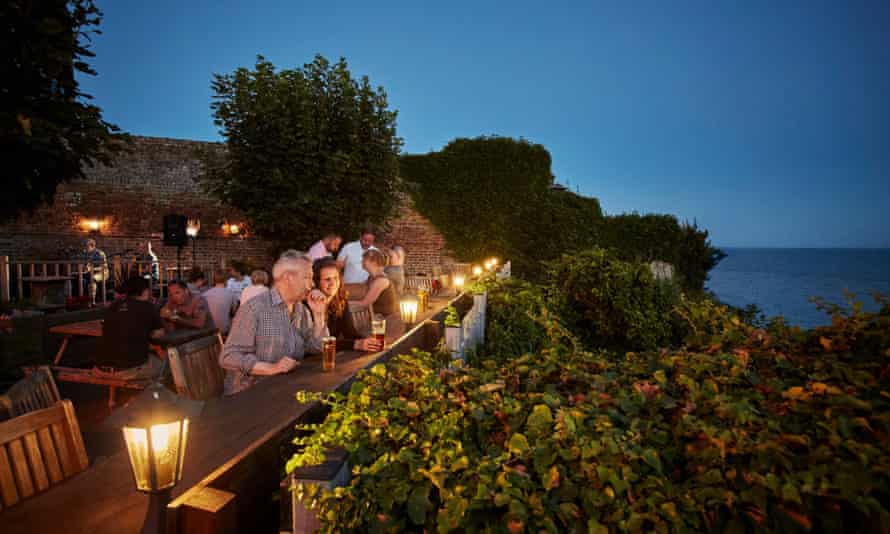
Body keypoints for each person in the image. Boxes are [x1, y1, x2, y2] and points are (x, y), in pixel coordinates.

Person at [219, 253, 328, 395]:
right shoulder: (255, 308)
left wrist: (319, 315)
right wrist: (272, 368)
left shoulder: (301, 309)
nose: (312, 284)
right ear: (288, 278)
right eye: (307, 277)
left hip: (285, 388)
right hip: (249, 394)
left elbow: (316, 348)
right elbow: (228, 357)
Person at [93, 277, 164, 380]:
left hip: (99, 369)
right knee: (165, 365)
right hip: (125, 371)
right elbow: (159, 335)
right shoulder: (147, 307)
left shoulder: (113, 306)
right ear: (145, 291)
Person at [313, 258, 383, 352]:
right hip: (312, 359)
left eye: (336, 278)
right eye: (327, 279)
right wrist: (355, 344)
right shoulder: (311, 304)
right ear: (317, 282)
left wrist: (369, 342)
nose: (333, 283)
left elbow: (350, 333)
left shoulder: (340, 301)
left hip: (334, 357)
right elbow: (319, 343)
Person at [352, 249, 399, 316]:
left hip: (384, 319)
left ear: (374, 262)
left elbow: (365, 303)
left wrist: (344, 303)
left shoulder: (381, 281)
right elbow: (359, 288)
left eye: (364, 259)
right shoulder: (371, 277)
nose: (361, 261)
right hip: (375, 316)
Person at [203, 270, 238, 335]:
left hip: (208, 330)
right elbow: (234, 312)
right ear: (226, 281)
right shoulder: (231, 294)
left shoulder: (205, 294)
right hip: (224, 330)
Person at [81, 238, 108, 304]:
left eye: (86, 246)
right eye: (84, 246)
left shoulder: (99, 253)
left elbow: (103, 267)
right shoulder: (85, 253)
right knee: (76, 278)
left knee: (92, 279)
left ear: (92, 246)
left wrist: (91, 269)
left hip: (102, 273)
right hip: (89, 273)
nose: (84, 248)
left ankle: (92, 301)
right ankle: (82, 300)